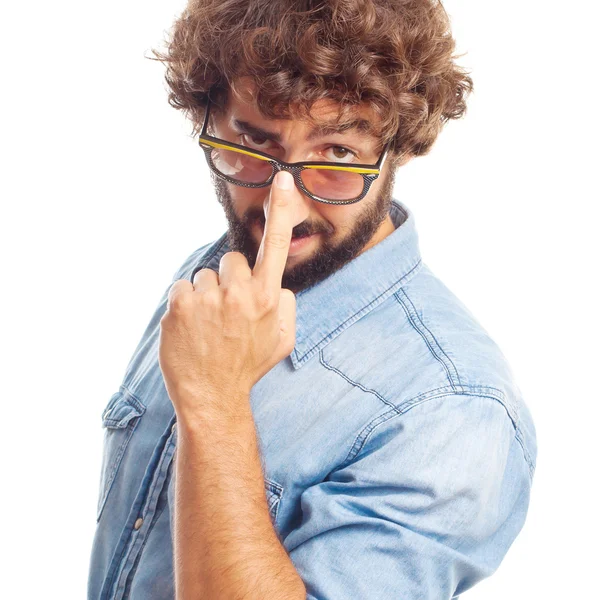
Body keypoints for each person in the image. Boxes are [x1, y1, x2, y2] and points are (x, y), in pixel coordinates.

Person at [87, 1, 537, 598]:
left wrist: (216, 408)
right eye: (252, 143)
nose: (282, 205)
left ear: (398, 148)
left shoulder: (454, 410)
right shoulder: (212, 282)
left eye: (337, 154)